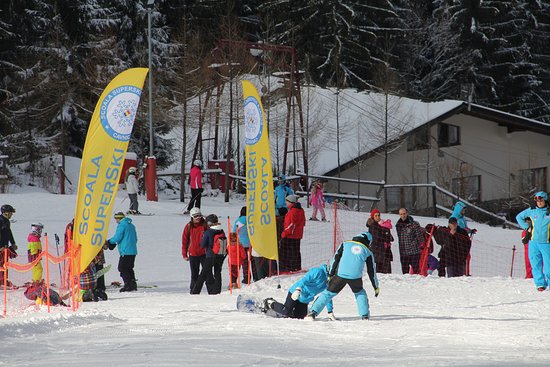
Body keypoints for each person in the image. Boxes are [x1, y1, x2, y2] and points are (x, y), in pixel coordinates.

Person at [306, 232, 379, 320]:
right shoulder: (368, 251)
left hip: (340, 275)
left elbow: (335, 259)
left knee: (328, 293)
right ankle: (364, 316)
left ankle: (312, 313)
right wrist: (376, 287)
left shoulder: (345, 244)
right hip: (355, 277)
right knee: (360, 293)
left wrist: (330, 274)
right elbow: (372, 271)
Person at [263, 264, 335, 320]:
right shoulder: (318, 271)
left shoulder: (328, 282)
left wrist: (330, 311)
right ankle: (270, 303)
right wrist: (298, 289)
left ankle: (291, 311)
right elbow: (304, 280)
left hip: (304, 299)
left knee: (299, 318)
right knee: (286, 311)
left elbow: (327, 296)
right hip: (296, 292)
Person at [516, 191, 550, 291]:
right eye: (537, 200)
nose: (539, 202)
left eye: (541, 200)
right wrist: (527, 228)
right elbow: (519, 217)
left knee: (548, 266)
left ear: (545, 199)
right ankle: (540, 284)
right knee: (535, 264)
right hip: (533, 243)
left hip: (546, 243)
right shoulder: (532, 210)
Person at [191, 214, 226, 295]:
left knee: (203, 273)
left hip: (210, 255)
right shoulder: (222, 230)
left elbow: (203, 245)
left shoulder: (208, 232)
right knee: (217, 272)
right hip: (220, 255)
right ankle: (216, 291)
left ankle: (196, 291)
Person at [105, 212, 138, 292]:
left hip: (125, 251)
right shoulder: (131, 226)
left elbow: (117, 237)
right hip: (132, 250)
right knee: (129, 268)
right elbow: (135, 238)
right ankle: (133, 284)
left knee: (122, 268)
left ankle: (128, 285)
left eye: (116, 219)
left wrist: (109, 242)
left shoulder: (122, 225)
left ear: (118, 218)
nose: (116, 221)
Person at [181, 207, 208, 292]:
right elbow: (185, 241)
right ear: (192, 217)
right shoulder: (188, 226)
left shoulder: (205, 225)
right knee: (194, 274)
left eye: (199, 216)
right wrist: (184, 254)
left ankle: (211, 291)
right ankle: (193, 291)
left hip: (204, 253)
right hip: (193, 254)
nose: (198, 218)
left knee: (207, 273)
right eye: (195, 216)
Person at [279, 194, 306, 272]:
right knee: (296, 252)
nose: (286, 203)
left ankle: (288, 268)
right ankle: (296, 267)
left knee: (288, 253)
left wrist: (284, 233)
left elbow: (291, 225)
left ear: (291, 202)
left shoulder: (293, 212)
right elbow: (303, 222)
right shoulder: (301, 210)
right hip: (298, 235)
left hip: (290, 236)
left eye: (287, 201)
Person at [395, 208, 425, 274]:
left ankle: (417, 283)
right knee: (405, 273)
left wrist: (414, 244)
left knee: (416, 271)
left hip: (414, 252)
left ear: (407, 213)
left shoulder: (414, 224)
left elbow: (420, 238)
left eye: (404, 213)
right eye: (401, 214)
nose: (403, 215)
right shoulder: (398, 225)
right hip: (403, 252)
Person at [366, 209, 394, 274]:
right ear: (373, 216)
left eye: (378, 215)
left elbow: (391, 237)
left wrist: (387, 234)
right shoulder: (373, 226)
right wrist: (386, 234)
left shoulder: (382, 224)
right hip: (378, 251)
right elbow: (378, 237)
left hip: (384, 250)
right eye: (376, 216)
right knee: (380, 271)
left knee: (387, 271)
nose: (378, 217)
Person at [232, 206, 251, 284]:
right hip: (250, 243)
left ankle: (234, 279)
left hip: (240, 244)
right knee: (247, 261)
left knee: (238, 261)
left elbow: (234, 232)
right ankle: (247, 277)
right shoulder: (251, 220)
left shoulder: (238, 221)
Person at [0, 204, 17, 286]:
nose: (11, 215)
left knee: (5, 263)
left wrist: (13, 242)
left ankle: (4, 280)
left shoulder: (7, 221)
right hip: (1, 247)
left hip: (5, 247)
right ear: (5, 213)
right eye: (10, 213)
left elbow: (9, 233)